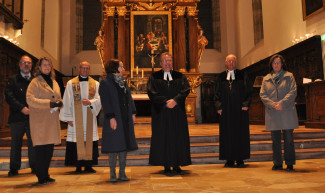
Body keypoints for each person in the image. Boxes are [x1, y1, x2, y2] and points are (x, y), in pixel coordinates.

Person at [147, 52, 191, 175]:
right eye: (165, 61)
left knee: (178, 137)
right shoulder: (154, 77)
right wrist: (165, 102)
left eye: (170, 60)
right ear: (160, 63)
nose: (167, 63)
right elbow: (151, 92)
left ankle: (177, 164)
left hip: (177, 112)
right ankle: (166, 164)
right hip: (161, 112)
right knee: (163, 137)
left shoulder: (180, 76)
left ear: (172, 62)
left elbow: (186, 89)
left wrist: (175, 100)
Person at [99, 59, 138, 182]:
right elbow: (105, 101)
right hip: (115, 118)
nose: (123, 69)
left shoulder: (124, 82)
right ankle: (112, 174)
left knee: (123, 145)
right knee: (113, 145)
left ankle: (122, 173)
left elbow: (129, 98)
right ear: (114, 68)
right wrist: (111, 117)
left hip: (125, 118)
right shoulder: (105, 82)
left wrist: (132, 112)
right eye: (121, 66)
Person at [60, 61, 101, 173]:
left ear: (89, 70)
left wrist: (91, 102)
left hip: (89, 117)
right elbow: (66, 100)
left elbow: (99, 99)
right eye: (83, 68)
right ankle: (77, 165)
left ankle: (88, 166)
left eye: (87, 68)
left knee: (89, 141)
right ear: (79, 69)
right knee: (76, 141)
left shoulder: (95, 84)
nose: (85, 70)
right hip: (75, 117)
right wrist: (68, 117)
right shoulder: (71, 83)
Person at [26, 57, 62, 185]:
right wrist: (50, 104)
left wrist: (59, 103)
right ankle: (41, 176)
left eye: (49, 65)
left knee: (48, 150)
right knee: (41, 150)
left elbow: (58, 98)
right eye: (44, 65)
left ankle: (46, 175)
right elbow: (30, 100)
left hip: (51, 121)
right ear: (39, 67)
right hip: (40, 121)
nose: (47, 67)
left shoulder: (55, 82)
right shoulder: (35, 82)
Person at [260, 54, 298, 172]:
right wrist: (273, 104)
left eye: (278, 62)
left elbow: (293, 91)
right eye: (274, 63)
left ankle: (290, 163)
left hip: (286, 111)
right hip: (273, 113)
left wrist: (281, 103)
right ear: (271, 65)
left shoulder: (289, 76)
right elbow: (263, 95)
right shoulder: (266, 79)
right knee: (275, 140)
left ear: (282, 64)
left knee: (289, 139)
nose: (276, 65)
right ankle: (277, 163)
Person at [214, 54, 252, 168]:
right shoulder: (220, 77)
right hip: (226, 110)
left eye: (233, 61)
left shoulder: (242, 75)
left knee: (240, 133)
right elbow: (216, 93)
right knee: (227, 134)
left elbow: (249, 91)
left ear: (236, 63)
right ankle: (229, 159)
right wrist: (219, 107)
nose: (231, 63)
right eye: (229, 61)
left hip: (240, 109)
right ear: (226, 63)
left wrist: (246, 104)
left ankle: (240, 159)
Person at [5, 55, 36, 176]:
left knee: (33, 143)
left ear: (31, 65)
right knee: (16, 143)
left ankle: (34, 166)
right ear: (19, 65)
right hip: (17, 117)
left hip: (32, 117)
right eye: (24, 62)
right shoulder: (13, 79)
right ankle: (14, 168)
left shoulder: (35, 80)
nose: (26, 64)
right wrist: (21, 108)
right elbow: (9, 96)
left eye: (28, 62)